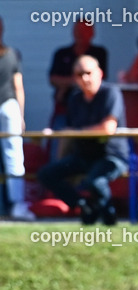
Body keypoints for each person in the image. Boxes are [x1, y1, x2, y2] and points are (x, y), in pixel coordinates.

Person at [38, 55, 128, 225]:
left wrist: (77, 131)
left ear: (100, 73)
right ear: (74, 78)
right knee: (47, 174)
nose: (85, 78)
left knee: (95, 182)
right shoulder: (75, 99)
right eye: (79, 75)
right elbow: (68, 136)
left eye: (88, 73)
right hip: (83, 156)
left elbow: (107, 129)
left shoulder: (111, 93)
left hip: (111, 156)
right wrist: (62, 162)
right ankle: (83, 205)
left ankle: (108, 215)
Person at [0, 16, 33, 220]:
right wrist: (20, 115)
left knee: (13, 157)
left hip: (8, 106)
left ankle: (17, 204)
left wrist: (20, 115)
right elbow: (18, 86)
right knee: (14, 156)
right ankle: (18, 205)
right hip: (10, 106)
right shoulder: (12, 54)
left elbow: (18, 86)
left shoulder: (12, 54)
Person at [48, 18, 108, 130]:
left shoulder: (99, 53)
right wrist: (73, 82)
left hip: (91, 109)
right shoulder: (61, 53)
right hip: (64, 107)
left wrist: (66, 85)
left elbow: (102, 78)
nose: (84, 79)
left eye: (84, 30)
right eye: (78, 30)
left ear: (92, 33)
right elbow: (53, 79)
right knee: (59, 138)